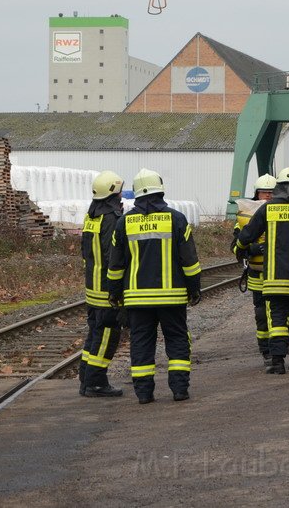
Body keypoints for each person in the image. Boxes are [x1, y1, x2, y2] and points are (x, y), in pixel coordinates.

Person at [107, 168, 202, 404]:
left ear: (137, 194)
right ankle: (179, 390)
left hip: (138, 300)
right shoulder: (177, 219)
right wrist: (194, 289)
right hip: (172, 298)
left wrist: (115, 294)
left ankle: (144, 393)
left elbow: (116, 265)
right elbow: (189, 261)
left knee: (141, 344)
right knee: (177, 341)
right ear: (161, 191)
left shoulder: (123, 223)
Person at [235, 167, 289, 374]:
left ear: (278, 187)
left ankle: (277, 363)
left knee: (276, 319)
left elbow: (247, 234)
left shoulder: (268, 209)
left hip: (274, 279)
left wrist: (240, 249)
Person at [78, 170, 125, 398]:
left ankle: (85, 377)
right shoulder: (112, 219)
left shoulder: (91, 217)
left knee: (95, 333)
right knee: (108, 335)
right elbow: (112, 255)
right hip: (106, 289)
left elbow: (84, 252)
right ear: (113, 193)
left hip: (92, 287)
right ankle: (96, 383)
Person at [232, 174, 284, 366]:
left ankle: (281, 345)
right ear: (256, 194)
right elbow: (236, 246)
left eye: (271, 193)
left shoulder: (281, 211)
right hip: (257, 273)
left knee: (281, 313)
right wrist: (249, 249)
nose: (268, 197)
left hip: (279, 273)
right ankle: (266, 350)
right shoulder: (245, 217)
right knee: (262, 314)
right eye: (264, 193)